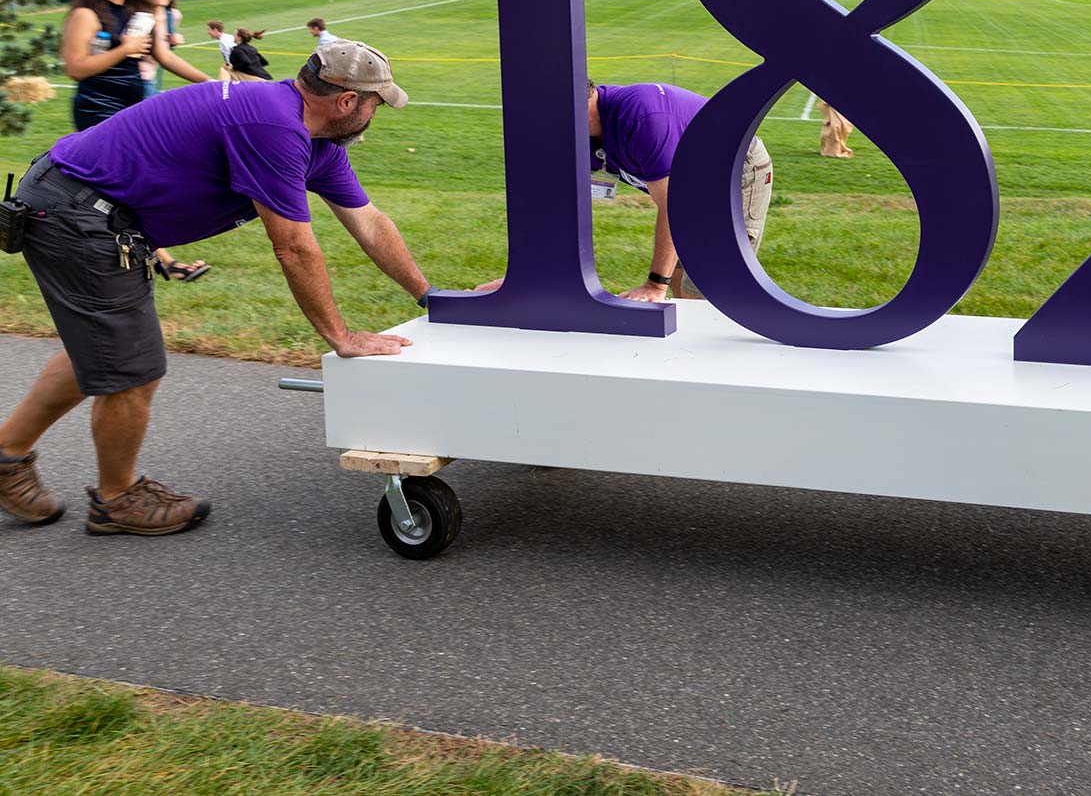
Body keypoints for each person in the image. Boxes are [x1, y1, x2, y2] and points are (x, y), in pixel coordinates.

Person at [0, 42, 429, 536]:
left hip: (79, 203)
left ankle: (7, 458)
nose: (378, 113)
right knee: (134, 367)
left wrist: (429, 296)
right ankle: (117, 499)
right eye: (377, 102)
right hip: (75, 210)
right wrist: (341, 336)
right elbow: (292, 247)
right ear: (348, 102)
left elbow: (370, 224)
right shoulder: (273, 127)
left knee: (102, 350)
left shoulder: (317, 144)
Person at [485, 81, 772, 302]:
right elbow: (557, 206)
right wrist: (522, 277)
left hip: (736, 168)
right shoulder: (576, 132)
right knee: (683, 279)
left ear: (576, 104)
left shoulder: (641, 121)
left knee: (713, 278)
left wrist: (653, 284)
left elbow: (673, 209)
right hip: (690, 180)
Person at [62, 0, 205, 132]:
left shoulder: (139, 13)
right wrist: (124, 49)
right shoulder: (85, 15)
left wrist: (209, 83)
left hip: (135, 105)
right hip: (100, 108)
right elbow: (76, 69)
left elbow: (165, 56)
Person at [132, 0, 215, 281]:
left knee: (152, 175)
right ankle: (164, 258)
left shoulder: (170, 15)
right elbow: (161, 55)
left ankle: (159, 252)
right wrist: (208, 83)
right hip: (130, 96)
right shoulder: (139, 17)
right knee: (143, 177)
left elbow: (164, 50)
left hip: (149, 95)